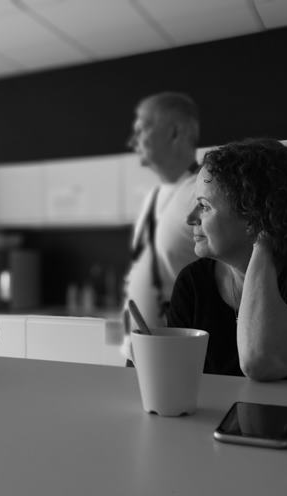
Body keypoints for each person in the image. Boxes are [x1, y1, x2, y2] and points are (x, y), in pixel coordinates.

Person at [166, 138, 287, 385]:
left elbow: (261, 361)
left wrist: (264, 241)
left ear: (253, 217)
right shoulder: (193, 282)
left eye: (204, 206)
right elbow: (173, 376)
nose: (190, 218)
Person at [121, 92, 201, 364]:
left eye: (141, 129)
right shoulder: (153, 196)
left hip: (176, 357)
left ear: (175, 132)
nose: (132, 141)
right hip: (137, 354)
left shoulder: (202, 193)